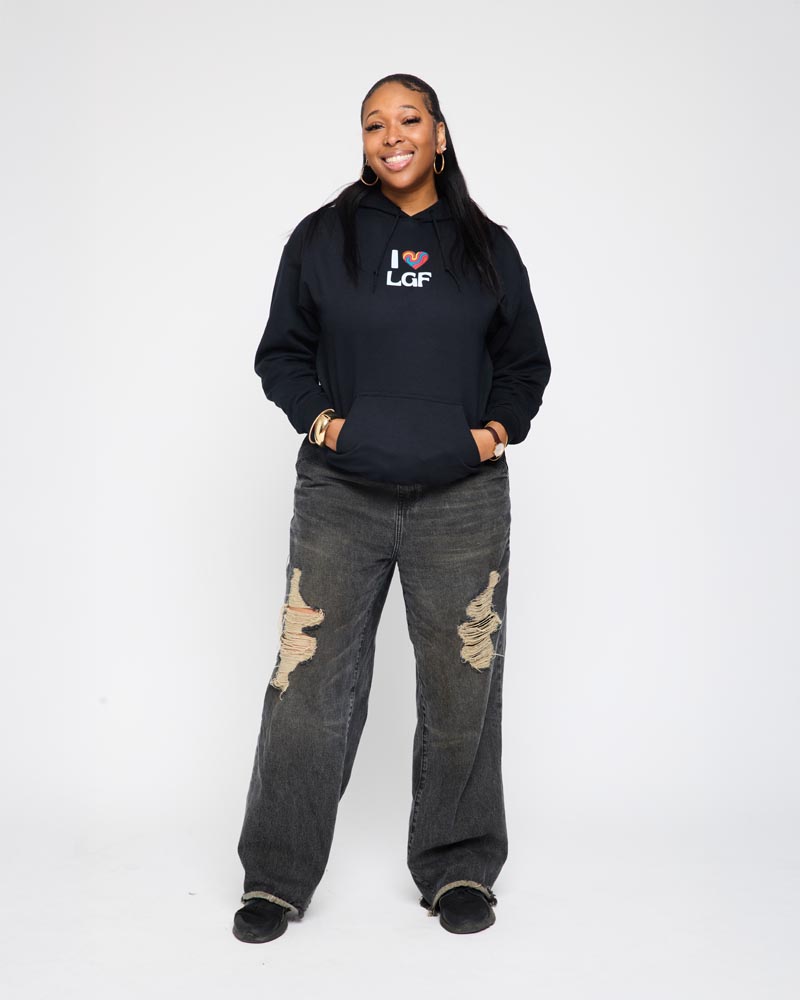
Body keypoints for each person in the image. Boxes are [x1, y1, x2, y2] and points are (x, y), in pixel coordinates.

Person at [233, 73, 552, 943]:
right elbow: (282, 353)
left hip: (463, 502)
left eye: (409, 119)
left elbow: (525, 363)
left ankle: (458, 867)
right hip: (341, 495)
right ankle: (276, 879)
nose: (392, 135)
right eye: (374, 124)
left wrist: (489, 436)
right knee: (307, 686)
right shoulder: (323, 237)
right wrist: (326, 424)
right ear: (364, 143)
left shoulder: (486, 246)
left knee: (462, 685)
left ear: (440, 135)